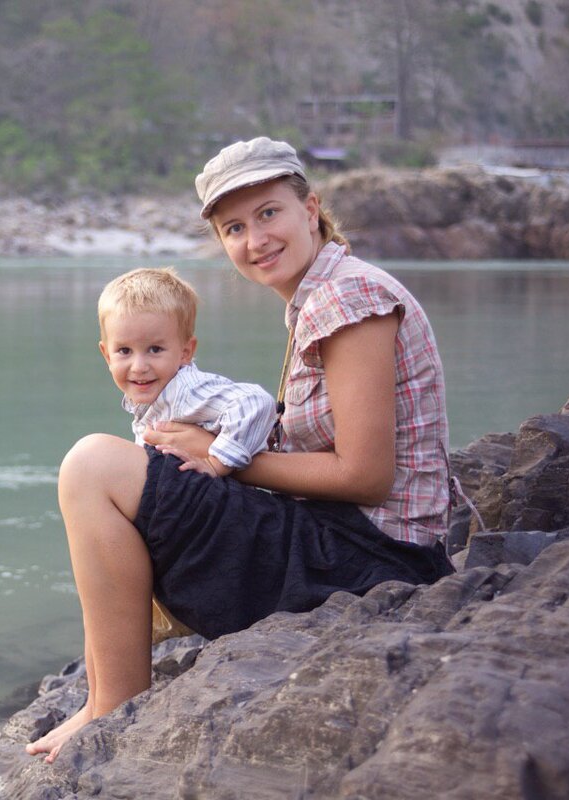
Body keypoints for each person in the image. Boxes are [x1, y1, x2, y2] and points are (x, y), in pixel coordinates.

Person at [26, 137, 454, 763]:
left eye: (269, 213)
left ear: (311, 208)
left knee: (93, 465)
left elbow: (366, 473)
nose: (255, 239)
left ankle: (114, 705)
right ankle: (100, 694)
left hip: (372, 562)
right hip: (342, 540)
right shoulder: (321, 296)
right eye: (234, 227)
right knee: (132, 468)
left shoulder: (349, 300)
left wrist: (218, 454)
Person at [96, 266, 276, 479]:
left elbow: (255, 403)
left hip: (218, 499)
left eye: (155, 349)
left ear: (185, 352)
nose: (139, 366)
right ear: (107, 355)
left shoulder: (185, 390)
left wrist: (215, 462)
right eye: (124, 351)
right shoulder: (150, 394)